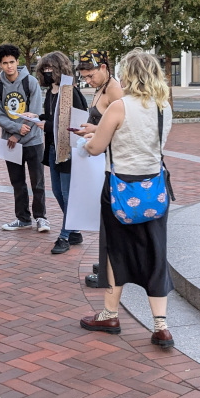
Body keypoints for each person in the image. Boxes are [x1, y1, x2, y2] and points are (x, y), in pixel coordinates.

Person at [77, 49, 174, 349]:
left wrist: (87, 141)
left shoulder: (119, 107)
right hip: (154, 189)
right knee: (156, 253)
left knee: (114, 251)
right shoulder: (163, 107)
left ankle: (110, 314)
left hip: (119, 189)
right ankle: (161, 326)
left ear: (129, 74)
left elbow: (95, 148)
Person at [28, 51, 88, 254]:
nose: (46, 72)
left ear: (60, 69)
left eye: (50, 69)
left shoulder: (71, 92)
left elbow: (76, 123)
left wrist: (44, 125)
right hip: (53, 148)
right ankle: (75, 230)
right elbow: (51, 117)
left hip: (69, 150)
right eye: (43, 69)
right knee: (56, 192)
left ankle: (64, 235)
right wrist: (37, 117)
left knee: (67, 194)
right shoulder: (51, 92)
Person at [76, 49, 123, 285]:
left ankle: (110, 269)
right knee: (104, 216)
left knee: (109, 217)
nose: (88, 81)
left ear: (104, 67)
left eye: (90, 75)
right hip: (101, 159)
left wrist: (96, 131)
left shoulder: (114, 89)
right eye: (84, 77)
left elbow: (124, 125)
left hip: (110, 160)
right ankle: (106, 261)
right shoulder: (101, 87)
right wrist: (93, 129)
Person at [0, 44, 49, 233]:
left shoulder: (30, 82)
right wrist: (15, 130)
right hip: (10, 143)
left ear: (18, 62)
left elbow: (34, 112)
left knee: (38, 183)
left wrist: (18, 134)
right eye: (5, 63)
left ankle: (41, 217)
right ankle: (23, 218)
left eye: (12, 62)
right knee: (17, 183)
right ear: (0, 65)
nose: (9, 66)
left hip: (33, 140)